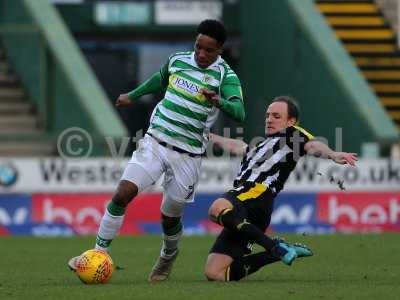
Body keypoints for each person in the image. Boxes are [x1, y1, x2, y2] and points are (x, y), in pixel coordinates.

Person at [68, 19, 245, 282]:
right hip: (155, 142)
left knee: (169, 216)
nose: (201, 54)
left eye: (208, 50)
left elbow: (239, 112)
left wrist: (219, 101)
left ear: (220, 50)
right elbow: (160, 79)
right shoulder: (178, 60)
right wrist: (133, 95)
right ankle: (97, 253)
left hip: (188, 155)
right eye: (198, 46)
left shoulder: (225, 77)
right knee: (122, 193)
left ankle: (167, 255)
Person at [204, 96, 358, 282]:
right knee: (215, 273)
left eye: (276, 116)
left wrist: (332, 154)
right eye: (268, 115)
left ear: (290, 121)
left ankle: (273, 246)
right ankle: (277, 252)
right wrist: (209, 136)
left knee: (216, 209)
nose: (269, 119)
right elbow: (238, 146)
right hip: (247, 211)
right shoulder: (261, 145)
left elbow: (312, 145)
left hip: (255, 195)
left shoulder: (292, 135)